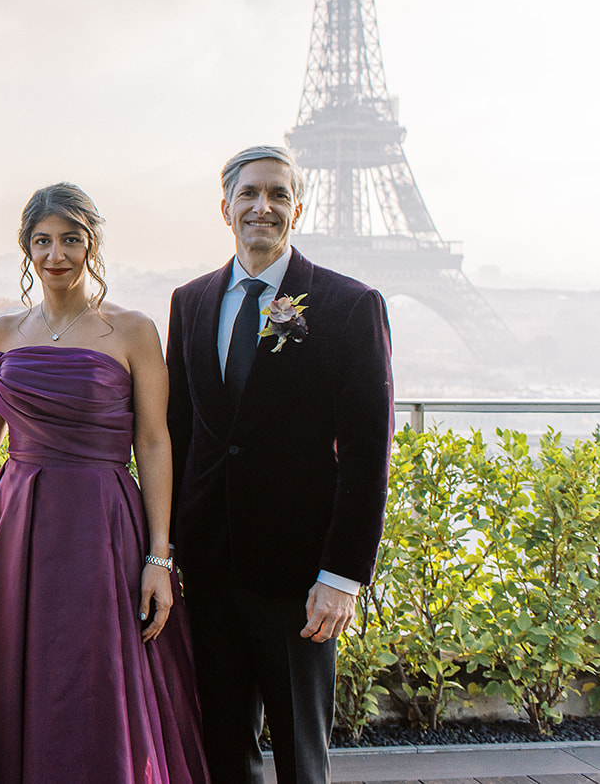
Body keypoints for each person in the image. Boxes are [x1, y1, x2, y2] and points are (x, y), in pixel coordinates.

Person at [0, 183, 210, 783]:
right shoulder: (2, 331)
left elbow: (153, 442)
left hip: (102, 520)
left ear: (92, 245)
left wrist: (159, 556)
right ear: (26, 248)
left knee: (97, 666)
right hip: (21, 517)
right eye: (43, 241)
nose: (56, 254)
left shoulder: (131, 330)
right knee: (20, 663)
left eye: (70, 239)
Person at [166, 145, 392, 784]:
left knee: (301, 758)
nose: (262, 207)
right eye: (249, 194)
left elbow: (367, 455)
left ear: (297, 207)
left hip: (299, 580)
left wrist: (343, 575)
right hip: (208, 572)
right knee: (221, 752)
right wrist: (170, 550)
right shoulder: (191, 302)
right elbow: (178, 434)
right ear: (225, 207)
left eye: (278, 194)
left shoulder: (348, 306)